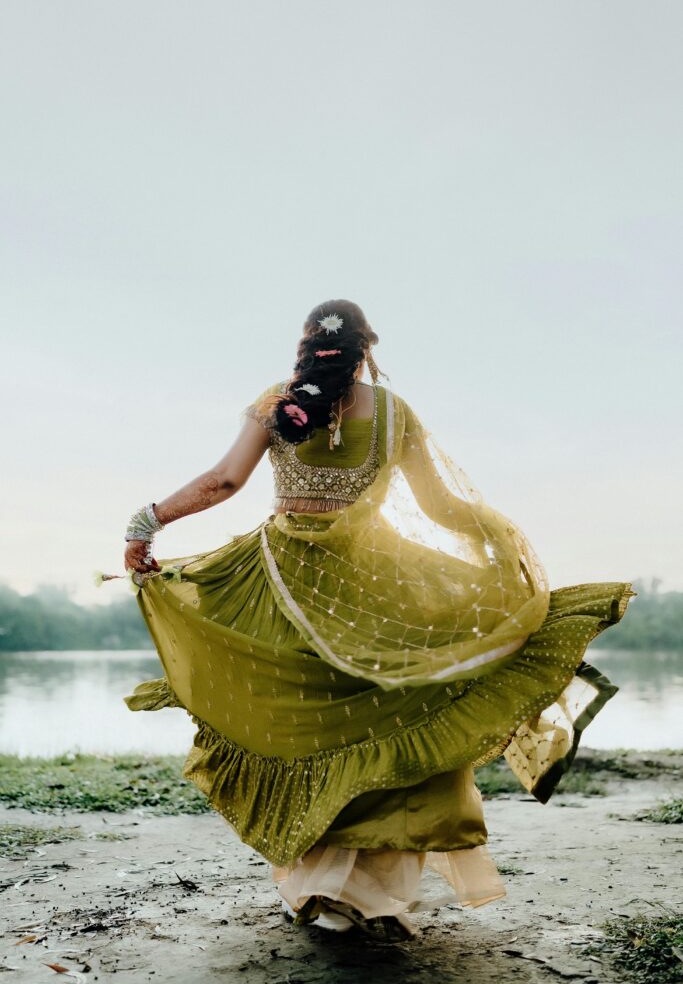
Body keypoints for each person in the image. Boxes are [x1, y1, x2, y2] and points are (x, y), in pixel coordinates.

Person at [104, 299, 635, 943]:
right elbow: (441, 508)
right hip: (369, 583)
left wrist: (147, 521)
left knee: (305, 724)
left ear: (304, 345)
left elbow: (223, 482)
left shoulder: (274, 403)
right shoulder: (391, 411)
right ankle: (362, 890)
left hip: (284, 576)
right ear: (367, 350)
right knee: (389, 714)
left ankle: (322, 886)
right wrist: (499, 542)